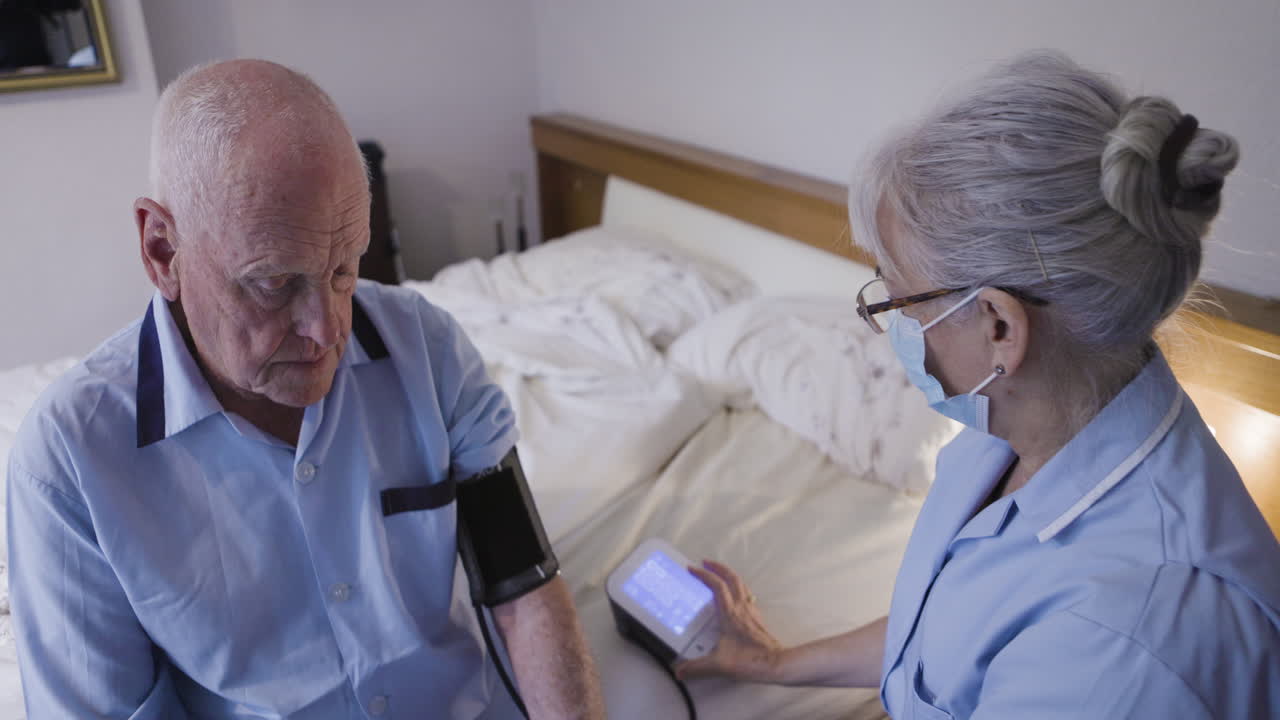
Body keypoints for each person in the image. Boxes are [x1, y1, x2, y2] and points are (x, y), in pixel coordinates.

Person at [677, 52, 1280, 718]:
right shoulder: (1014, 429)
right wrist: (775, 663)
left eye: (898, 298)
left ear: (998, 327)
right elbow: (947, 637)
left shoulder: (1127, 645)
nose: (891, 324)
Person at [6, 59, 605, 719]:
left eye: (345, 269)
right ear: (161, 250)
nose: (326, 329)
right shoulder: (67, 462)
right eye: (273, 282)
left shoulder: (424, 347)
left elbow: (523, 587)